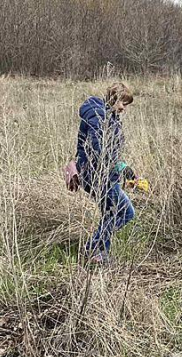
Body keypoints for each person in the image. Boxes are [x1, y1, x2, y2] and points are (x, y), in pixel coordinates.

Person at [76, 83, 138, 264]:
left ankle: (100, 255)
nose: (124, 109)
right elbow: (100, 150)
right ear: (115, 98)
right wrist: (121, 167)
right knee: (125, 213)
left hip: (101, 175)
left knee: (110, 214)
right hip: (98, 176)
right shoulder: (99, 118)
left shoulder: (108, 116)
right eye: (123, 104)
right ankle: (91, 249)